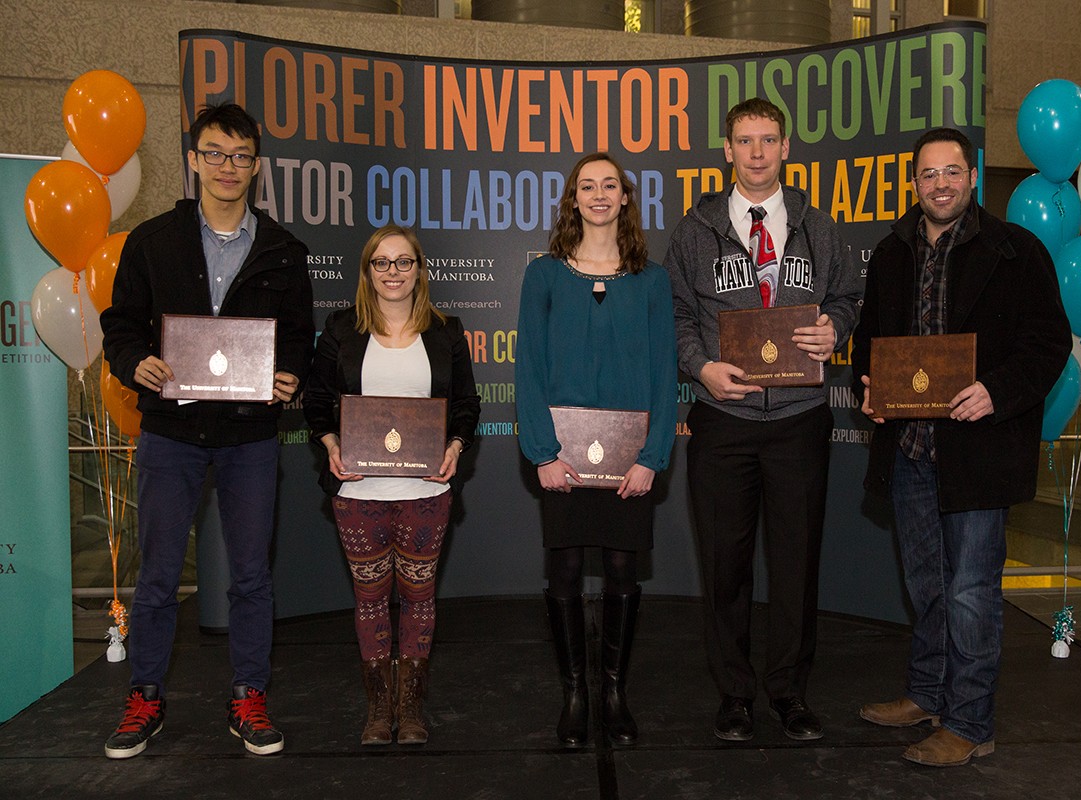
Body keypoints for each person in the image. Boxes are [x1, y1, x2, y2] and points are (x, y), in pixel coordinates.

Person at [99, 103, 314, 758]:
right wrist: (136, 362)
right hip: (170, 432)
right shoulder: (152, 242)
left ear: (256, 165)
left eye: (241, 156)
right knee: (159, 574)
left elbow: (299, 339)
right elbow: (121, 326)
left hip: (249, 435)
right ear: (193, 159)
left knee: (251, 574)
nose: (228, 167)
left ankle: (248, 694)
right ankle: (145, 695)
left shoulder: (283, 250)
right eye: (215, 153)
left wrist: (291, 377)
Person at [852, 127, 1072, 767]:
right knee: (925, 584)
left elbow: (1047, 344)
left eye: (952, 172)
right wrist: (869, 386)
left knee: (971, 591)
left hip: (979, 452)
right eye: (928, 174)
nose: (941, 183)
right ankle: (927, 694)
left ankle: (971, 722)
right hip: (911, 451)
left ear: (971, 176)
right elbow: (870, 340)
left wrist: (995, 392)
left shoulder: (1015, 250)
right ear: (914, 182)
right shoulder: (891, 254)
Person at [663, 97, 860, 742]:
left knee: (797, 563)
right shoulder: (696, 231)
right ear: (727, 150)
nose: (756, 152)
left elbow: (845, 298)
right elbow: (679, 316)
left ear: (785, 147)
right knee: (726, 564)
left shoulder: (817, 227)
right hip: (724, 417)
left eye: (768, 140)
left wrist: (838, 329)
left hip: (800, 417)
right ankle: (735, 694)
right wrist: (701, 368)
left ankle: (790, 692)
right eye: (744, 141)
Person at [515, 152, 677, 747]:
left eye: (610, 185)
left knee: (619, 571)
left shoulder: (653, 280)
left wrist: (652, 457)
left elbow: (666, 375)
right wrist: (541, 452)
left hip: (631, 462)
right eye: (588, 186)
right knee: (561, 572)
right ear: (573, 199)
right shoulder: (544, 275)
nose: (600, 194)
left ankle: (613, 691)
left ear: (626, 197)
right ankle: (576, 695)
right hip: (560, 456)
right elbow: (527, 367)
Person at [303, 225, 480, 746]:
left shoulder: (447, 331)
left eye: (404, 262)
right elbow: (316, 399)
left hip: (426, 493)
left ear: (420, 270)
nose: (393, 272)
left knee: (420, 597)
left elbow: (467, 404)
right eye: (382, 263)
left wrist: (454, 447)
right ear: (367, 273)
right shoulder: (340, 330)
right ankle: (379, 711)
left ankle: (411, 709)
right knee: (370, 599)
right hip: (358, 494)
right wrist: (331, 444)